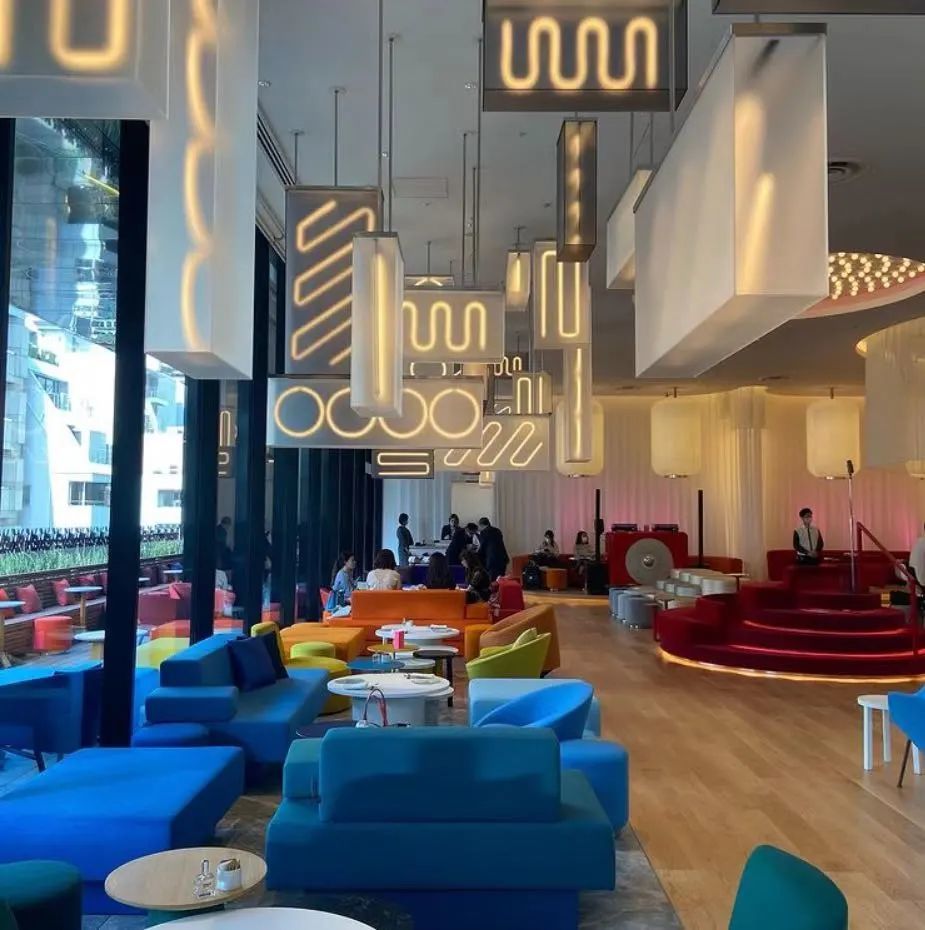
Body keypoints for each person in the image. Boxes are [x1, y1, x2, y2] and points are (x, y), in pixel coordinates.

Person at [477, 517, 509, 581]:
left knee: (492, 581)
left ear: (481, 525)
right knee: (501, 580)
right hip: (502, 559)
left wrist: (477, 555)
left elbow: (482, 548)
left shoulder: (483, 533)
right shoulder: (497, 530)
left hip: (492, 561)